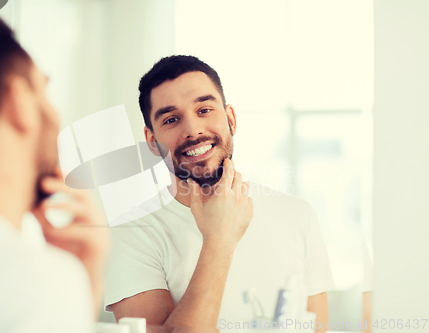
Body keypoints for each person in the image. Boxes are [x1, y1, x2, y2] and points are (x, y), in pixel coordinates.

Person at [103, 55, 335, 332]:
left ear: (231, 119)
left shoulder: (298, 215)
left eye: (204, 110)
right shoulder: (129, 233)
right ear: (153, 142)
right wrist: (219, 240)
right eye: (172, 119)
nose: (193, 130)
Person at [0, 13, 109, 333]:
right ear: (19, 100)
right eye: (43, 89)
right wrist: (72, 287)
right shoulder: (38, 284)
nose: (54, 112)